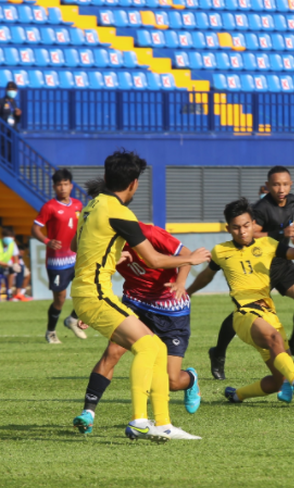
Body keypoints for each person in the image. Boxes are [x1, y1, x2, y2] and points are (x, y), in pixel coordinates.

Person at [71, 150, 210, 441]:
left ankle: (163, 424)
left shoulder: (91, 205)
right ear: (134, 183)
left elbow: (76, 243)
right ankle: (139, 421)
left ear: (107, 177)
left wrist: (109, 252)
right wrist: (192, 259)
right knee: (148, 347)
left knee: (156, 350)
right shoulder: (121, 213)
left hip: (87, 294)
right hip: (96, 295)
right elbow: (155, 261)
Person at [187, 197, 294, 404]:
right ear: (228, 228)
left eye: (246, 226)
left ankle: (237, 394)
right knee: (274, 340)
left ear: (253, 224)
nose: (242, 231)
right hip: (244, 315)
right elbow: (207, 275)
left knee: (276, 381)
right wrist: (188, 292)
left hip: (268, 314)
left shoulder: (269, 244)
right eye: (236, 228)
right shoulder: (220, 251)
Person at [209, 166, 294, 380]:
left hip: (283, 263)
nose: (281, 188)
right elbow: (252, 233)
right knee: (242, 312)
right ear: (268, 186)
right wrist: (281, 232)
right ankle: (219, 353)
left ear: (291, 184)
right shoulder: (260, 208)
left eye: (285, 184)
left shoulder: (292, 200)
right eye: (276, 184)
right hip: (261, 265)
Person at [32, 169, 85, 344]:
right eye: (59, 185)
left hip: (76, 257)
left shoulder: (78, 205)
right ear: (54, 187)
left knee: (88, 291)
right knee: (60, 299)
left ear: (71, 185)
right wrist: (47, 241)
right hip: (57, 261)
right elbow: (35, 229)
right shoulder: (49, 207)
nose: (62, 188)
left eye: (65, 184)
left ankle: (72, 319)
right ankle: (51, 332)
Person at [0, 82, 21, 162]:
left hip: (13, 133)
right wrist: (4, 122)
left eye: (13, 90)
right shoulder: (0, 102)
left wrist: (17, 115)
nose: (11, 91)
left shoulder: (14, 103)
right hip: (3, 133)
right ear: (6, 90)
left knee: (12, 157)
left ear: (16, 91)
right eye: (9, 89)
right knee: (3, 156)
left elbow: (16, 121)